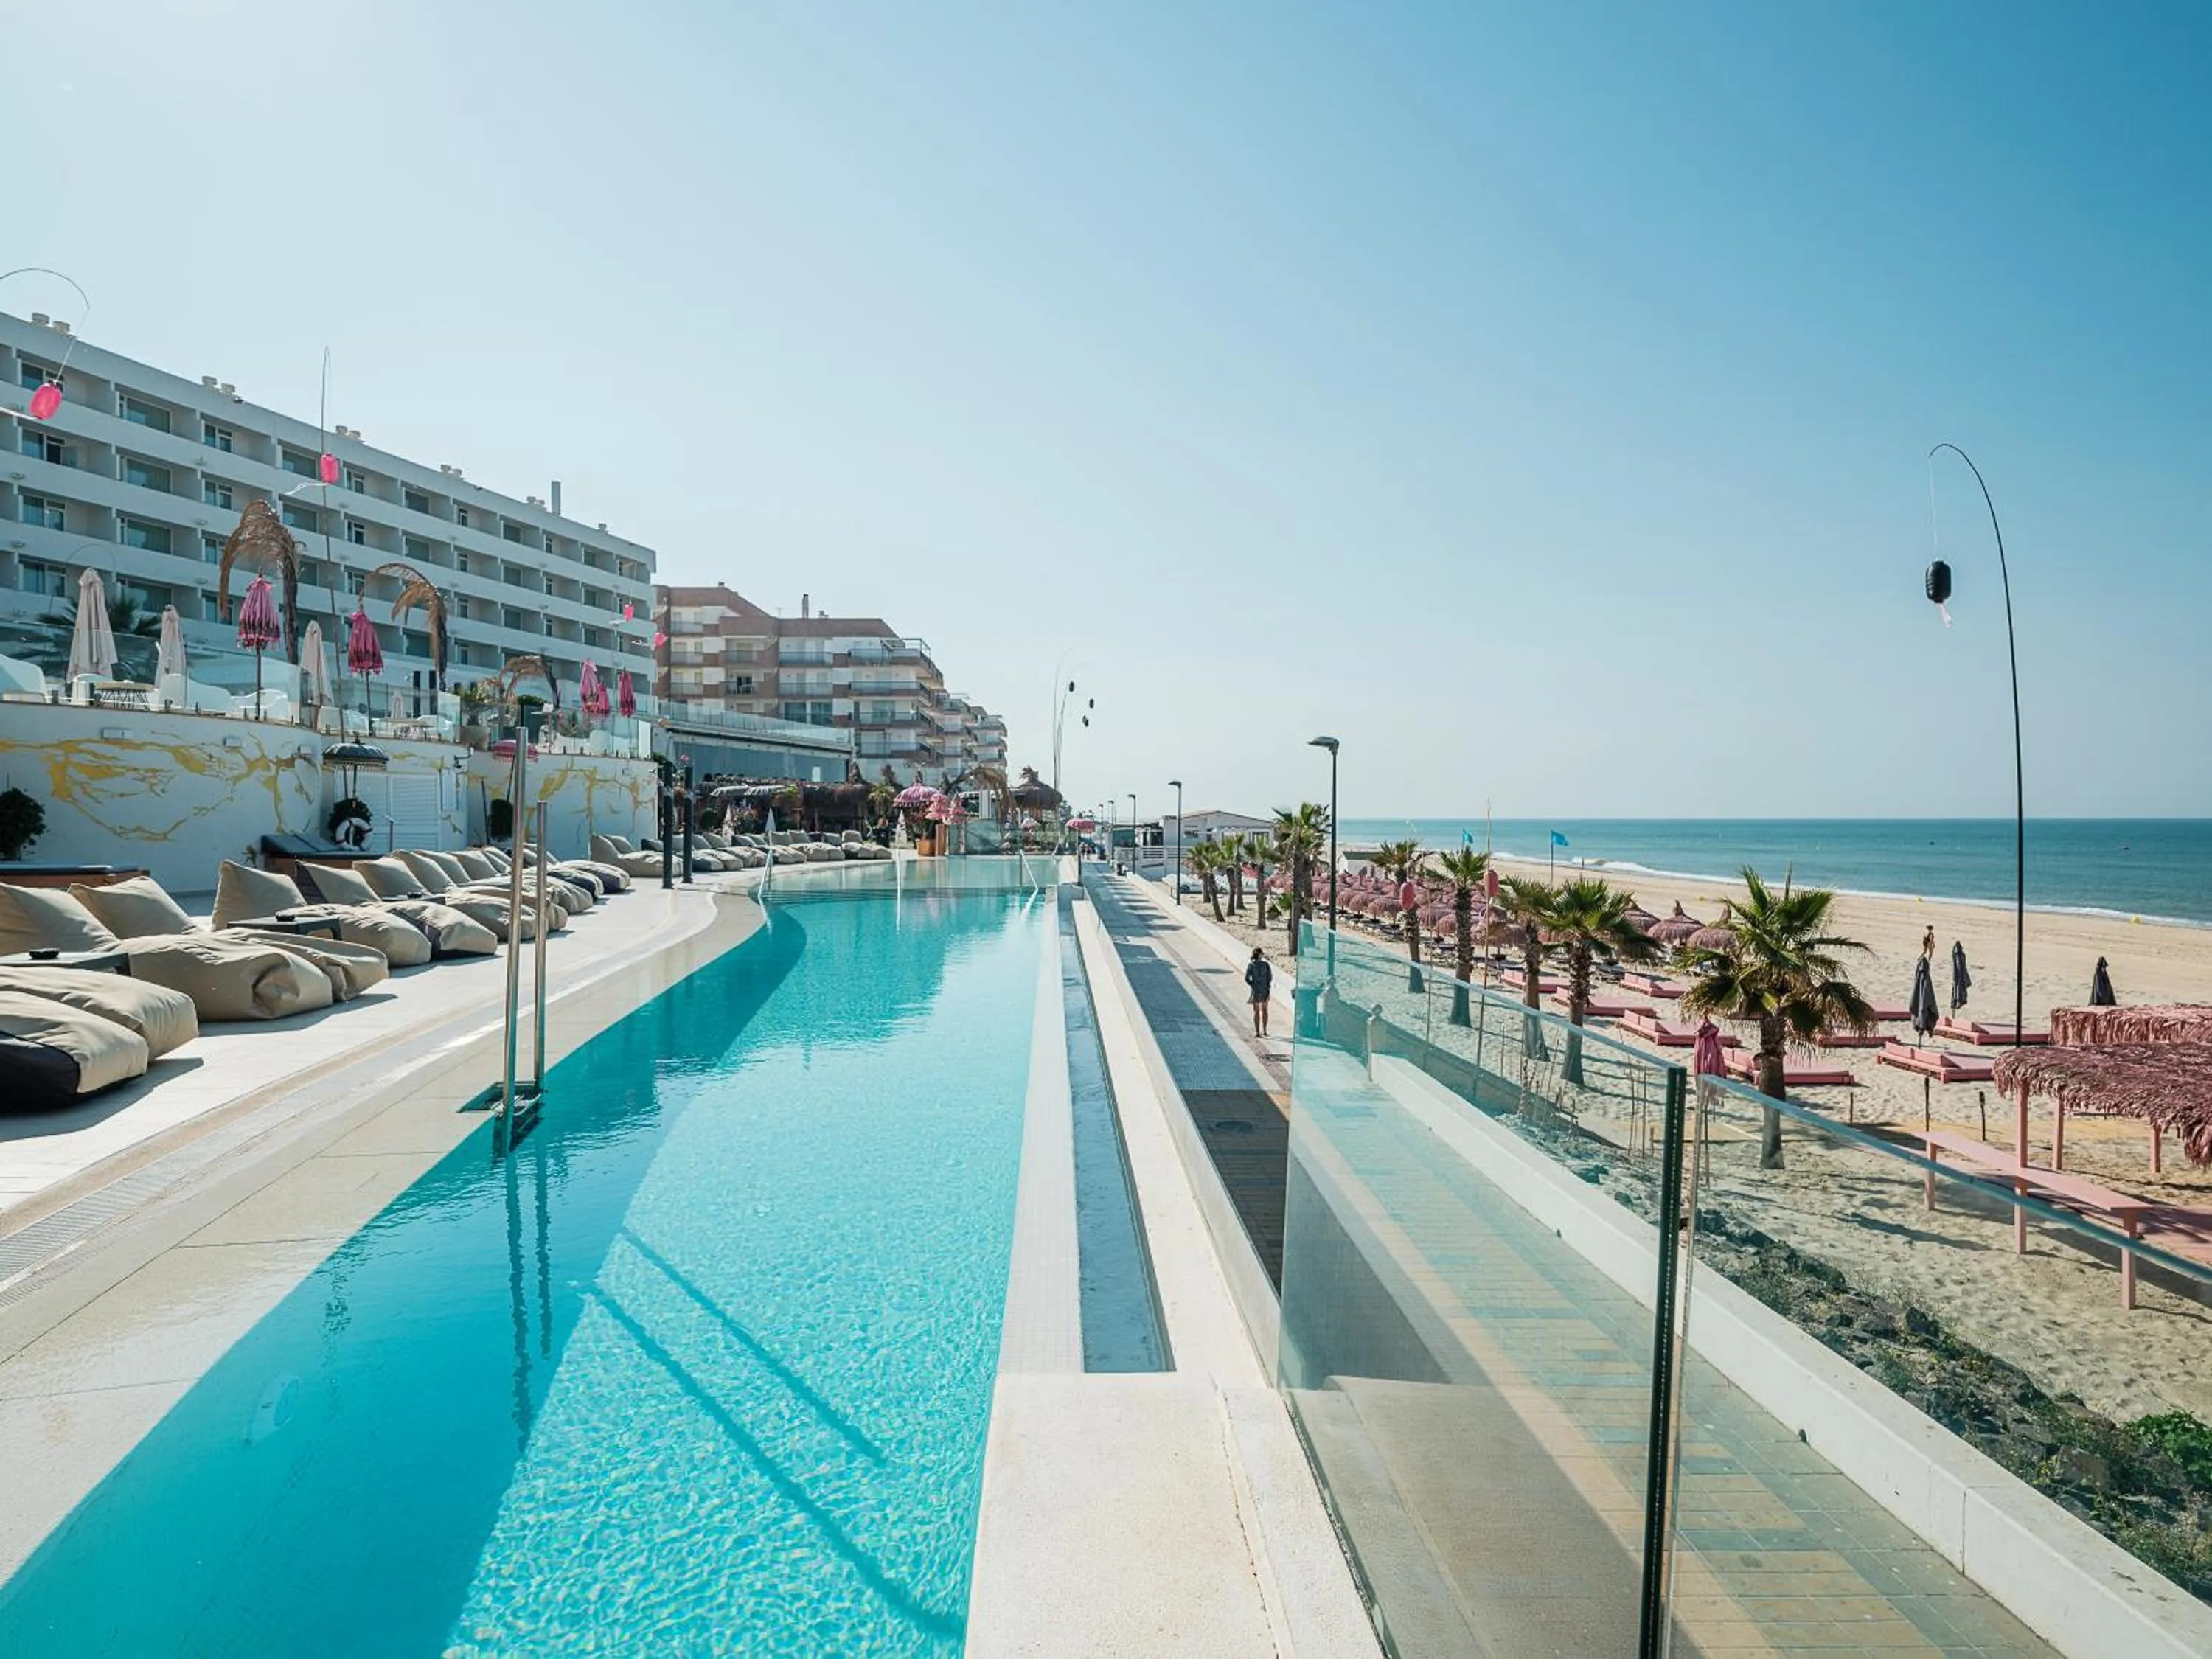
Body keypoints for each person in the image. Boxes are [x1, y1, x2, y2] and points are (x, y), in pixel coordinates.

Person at [1245, 946, 1273, 1037]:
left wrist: (1252, 984)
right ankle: (1265, 1031)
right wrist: (1267, 985)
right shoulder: (1266, 965)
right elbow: (1270, 978)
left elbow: (1246, 978)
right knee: (1265, 1010)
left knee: (1256, 1011)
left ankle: (1257, 1032)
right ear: (1260, 955)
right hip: (1265, 990)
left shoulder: (1251, 965)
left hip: (1256, 991)